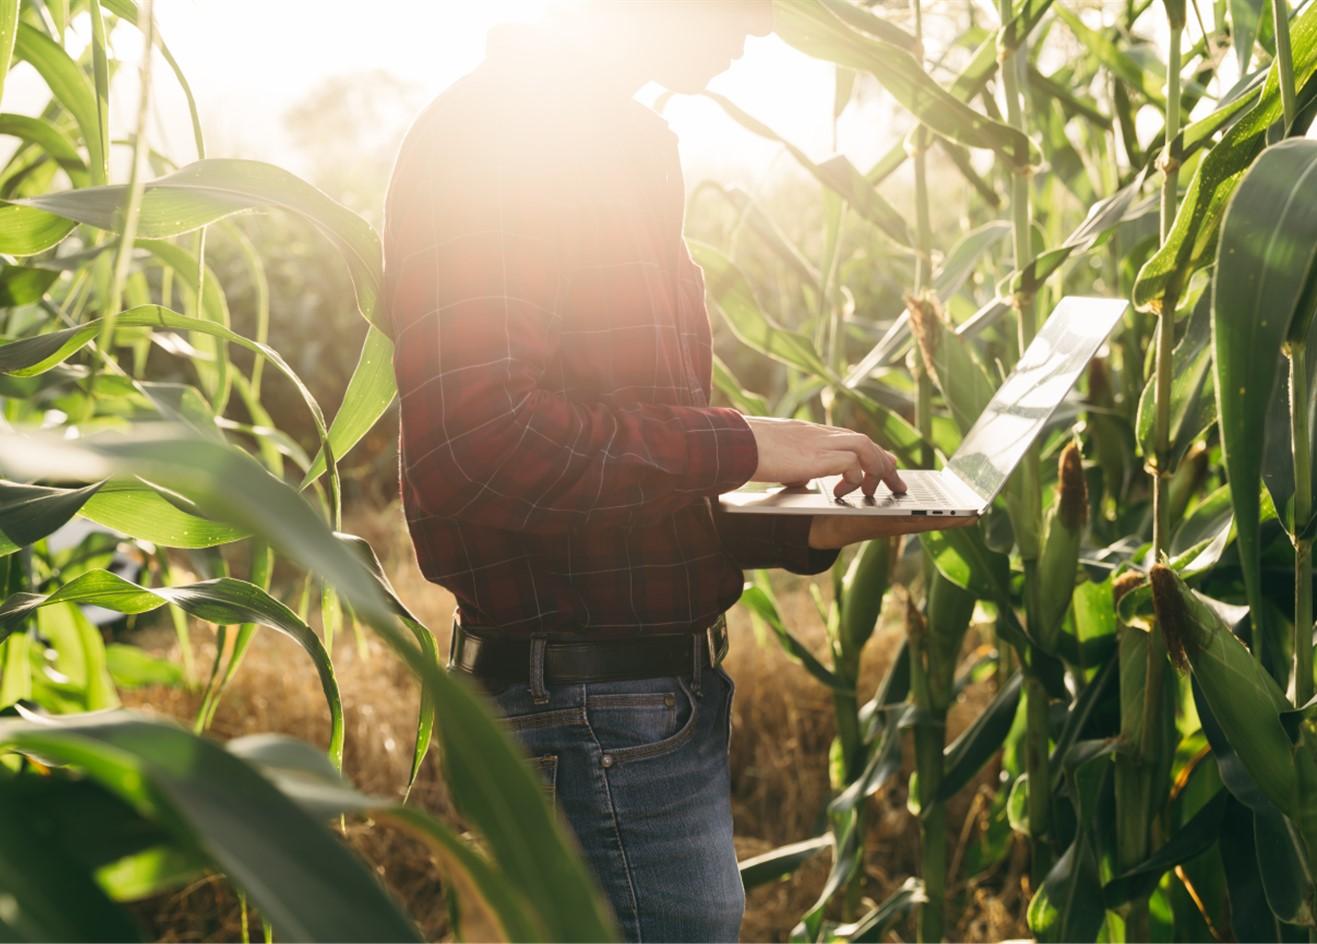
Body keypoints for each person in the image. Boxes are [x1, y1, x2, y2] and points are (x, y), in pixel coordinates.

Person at [381, 2, 973, 940]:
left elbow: (600, 477)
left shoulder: (613, 140)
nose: (758, 31)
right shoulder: (501, 138)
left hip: (626, 709)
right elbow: (479, 449)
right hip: (589, 715)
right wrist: (738, 445)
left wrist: (796, 524)